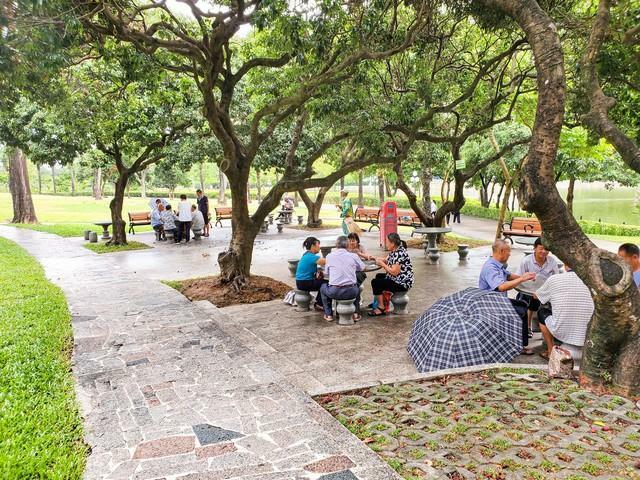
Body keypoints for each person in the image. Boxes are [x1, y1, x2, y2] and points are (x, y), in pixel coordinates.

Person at [478, 239, 537, 354]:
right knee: (520, 311)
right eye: (508, 251)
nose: (510, 254)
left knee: (522, 304)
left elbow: (508, 276)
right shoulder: (490, 267)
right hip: (491, 304)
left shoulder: (497, 264)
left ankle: (519, 343)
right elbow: (501, 287)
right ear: (501, 251)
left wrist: (526, 277)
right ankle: (518, 346)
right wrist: (521, 279)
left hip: (499, 301)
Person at [534, 264, 594, 360]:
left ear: (565, 265)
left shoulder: (554, 279)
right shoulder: (593, 281)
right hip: (590, 331)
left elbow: (536, 296)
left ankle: (550, 351)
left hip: (561, 329)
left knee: (542, 312)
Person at [516, 238, 559, 336]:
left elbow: (556, 278)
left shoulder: (552, 261)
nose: (544, 251)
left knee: (553, 302)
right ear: (534, 248)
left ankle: (548, 330)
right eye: (541, 248)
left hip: (545, 290)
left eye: (546, 249)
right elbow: (518, 277)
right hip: (528, 289)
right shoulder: (526, 261)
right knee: (528, 300)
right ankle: (527, 327)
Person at [320, 236, 364, 322]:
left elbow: (327, 273)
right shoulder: (353, 256)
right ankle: (356, 314)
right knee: (357, 287)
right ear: (348, 245)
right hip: (351, 291)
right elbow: (362, 268)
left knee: (323, 287)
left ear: (336, 245)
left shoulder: (329, 256)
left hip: (335, 291)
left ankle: (328, 314)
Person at [368, 233, 414, 317]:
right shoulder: (396, 250)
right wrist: (374, 258)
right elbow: (387, 260)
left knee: (375, 282)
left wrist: (382, 264)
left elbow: (394, 272)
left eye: (387, 242)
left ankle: (381, 308)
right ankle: (380, 302)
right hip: (398, 279)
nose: (386, 244)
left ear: (392, 243)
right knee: (379, 276)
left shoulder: (399, 253)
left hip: (402, 283)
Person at [295, 237, 327, 311]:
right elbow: (327, 261)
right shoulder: (311, 257)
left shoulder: (306, 255)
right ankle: (319, 304)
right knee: (327, 284)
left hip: (300, 282)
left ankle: (319, 303)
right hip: (305, 283)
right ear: (313, 246)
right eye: (318, 244)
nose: (319, 247)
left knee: (322, 282)